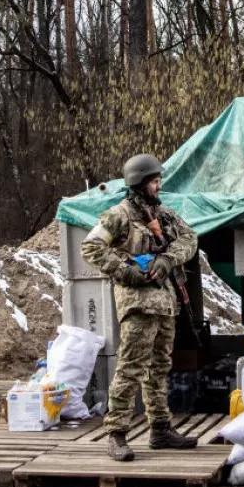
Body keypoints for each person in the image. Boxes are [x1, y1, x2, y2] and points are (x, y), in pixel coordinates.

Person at [81, 153, 199, 461]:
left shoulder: (165, 216)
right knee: (131, 368)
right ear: (140, 183)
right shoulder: (117, 216)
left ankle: (160, 429)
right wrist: (123, 270)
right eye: (155, 182)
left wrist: (167, 258)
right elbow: (90, 247)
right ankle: (116, 433)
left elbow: (190, 240)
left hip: (165, 305)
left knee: (158, 370)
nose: (159, 187)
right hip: (137, 304)